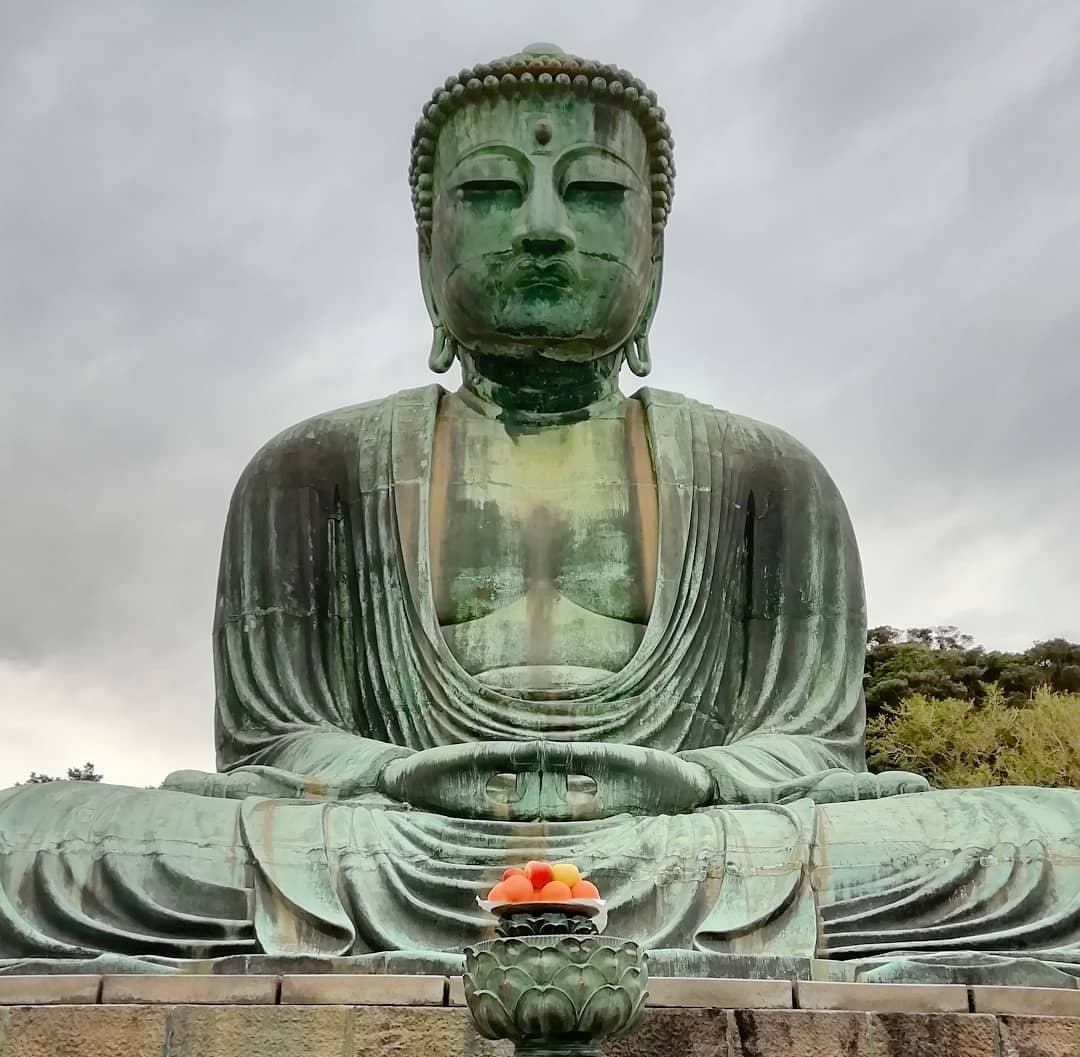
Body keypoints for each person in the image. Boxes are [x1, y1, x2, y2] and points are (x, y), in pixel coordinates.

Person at [2, 46, 1077, 987]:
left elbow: (812, 746)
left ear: (653, 259)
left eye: (597, 196)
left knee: (1051, 846)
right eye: (492, 194)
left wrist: (697, 778)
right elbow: (273, 742)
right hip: (392, 842)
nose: (547, 230)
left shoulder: (765, 474)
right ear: (429, 253)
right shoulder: (312, 469)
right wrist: (389, 773)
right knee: (34, 843)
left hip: (699, 843)